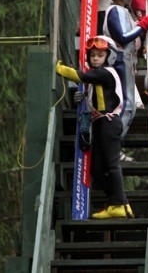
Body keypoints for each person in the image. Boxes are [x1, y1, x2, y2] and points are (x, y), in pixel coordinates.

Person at [55, 36, 134, 219]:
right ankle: (119, 202)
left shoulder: (105, 72)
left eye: (100, 55)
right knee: (97, 168)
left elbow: (79, 76)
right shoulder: (99, 77)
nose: (95, 58)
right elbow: (93, 94)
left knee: (112, 165)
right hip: (99, 124)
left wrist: (58, 67)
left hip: (109, 123)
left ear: (108, 57)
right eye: (93, 55)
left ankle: (120, 204)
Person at [103, 0, 148, 148]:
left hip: (126, 61)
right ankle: (113, 147)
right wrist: (143, 25)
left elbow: (132, 32)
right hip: (120, 59)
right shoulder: (116, 10)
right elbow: (123, 37)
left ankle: (113, 147)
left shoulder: (122, 11)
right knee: (126, 106)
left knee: (127, 106)